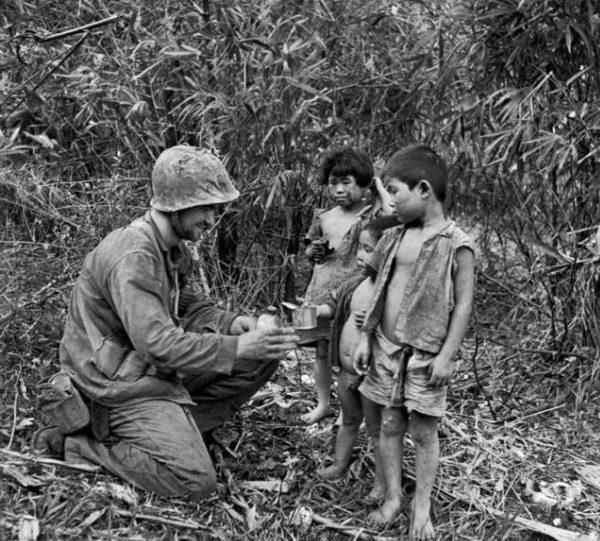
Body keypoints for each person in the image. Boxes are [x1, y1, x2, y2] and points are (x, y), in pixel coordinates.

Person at [33, 145, 299, 500]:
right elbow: (158, 344)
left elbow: (187, 304)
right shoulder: (134, 255)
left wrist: (233, 323)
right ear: (177, 205)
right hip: (114, 387)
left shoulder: (170, 248)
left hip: (147, 372)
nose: (212, 219)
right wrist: (235, 348)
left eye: (215, 208)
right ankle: (84, 444)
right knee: (196, 483)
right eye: (206, 208)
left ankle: (176, 432)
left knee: (259, 358)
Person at [353, 145, 475, 540]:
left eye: (395, 192)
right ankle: (393, 498)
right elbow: (374, 287)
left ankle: (421, 507)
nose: (389, 202)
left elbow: (463, 305)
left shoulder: (457, 243)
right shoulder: (392, 237)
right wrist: (365, 337)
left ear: (424, 189)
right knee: (389, 425)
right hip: (386, 349)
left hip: (425, 356)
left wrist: (447, 356)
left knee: (423, 432)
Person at [301, 147, 392, 424]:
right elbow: (308, 250)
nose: (339, 189)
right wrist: (312, 252)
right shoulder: (324, 217)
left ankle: (348, 409)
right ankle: (323, 403)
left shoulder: (370, 216)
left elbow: (393, 217)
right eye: (333, 183)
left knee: (346, 352)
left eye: (346, 182)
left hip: (351, 296)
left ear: (362, 183)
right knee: (320, 351)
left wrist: (377, 186)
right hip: (320, 290)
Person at [313, 216, 398, 499]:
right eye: (360, 248)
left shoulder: (391, 292)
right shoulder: (355, 284)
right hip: (346, 370)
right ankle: (339, 463)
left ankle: (381, 484)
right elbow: (332, 305)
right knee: (349, 419)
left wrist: (375, 322)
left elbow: (400, 330)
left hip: (371, 375)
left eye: (368, 249)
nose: (361, 255)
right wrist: (311, 312)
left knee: (377, 431)